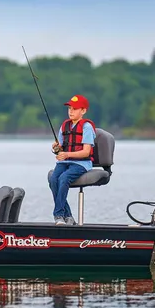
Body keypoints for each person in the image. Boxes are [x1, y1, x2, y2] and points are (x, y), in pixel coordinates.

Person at [49, 94, 96, 225]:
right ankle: (68, 216)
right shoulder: (64, 126)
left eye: (75, 109)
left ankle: (58, 215)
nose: (71, 111)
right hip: (65, 161)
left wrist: (67, 155)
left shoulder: (87, 127)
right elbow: (60, 148)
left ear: (83, 111)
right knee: (53, 179)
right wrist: (56, 148)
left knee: (64, 178)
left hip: (81, 163)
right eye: (69, 108)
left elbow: (86, 151)